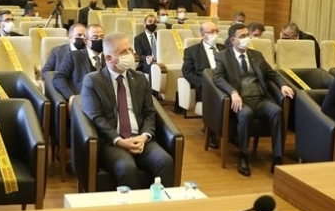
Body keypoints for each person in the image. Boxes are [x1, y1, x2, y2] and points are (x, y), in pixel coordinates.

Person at [80, 32, 174, 189]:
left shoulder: (140, 78)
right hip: (112, 141)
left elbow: (149, 112)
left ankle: (161, 204)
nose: (130, 55)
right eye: (123, 52)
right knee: (127, 168)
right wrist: (119, 140)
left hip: (140, 137)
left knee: (165, 161)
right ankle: (133, 206)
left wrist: (144, 136)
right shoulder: (93, 80)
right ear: (109, 58)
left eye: (130, 50)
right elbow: (96, 118)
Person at [212, 24, 294, 176]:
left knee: (277, 111)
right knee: (246, 114)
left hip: (260, 99)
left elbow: (272, 74)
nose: (247, 39)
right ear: (233, 40)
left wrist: (283, 85)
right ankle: (243, 156)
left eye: (247, 35)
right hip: (241, 101)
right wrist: (233, 92)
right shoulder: (223, 56)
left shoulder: (256, 55)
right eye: (243, 36)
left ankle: (277, 157)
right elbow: (217, 78)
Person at [53, 24, 105, 105]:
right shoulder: (74, 56)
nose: (99, 40)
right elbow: (59, 78)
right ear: (86, 41)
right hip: (83, 101)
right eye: (95, 38)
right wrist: (71, 97)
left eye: (102, 37)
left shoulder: (109, 58)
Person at [182, 22, 225, 103]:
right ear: (202, 35)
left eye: (216, 31)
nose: (215, 34)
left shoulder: (225, 49)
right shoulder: (192, 51)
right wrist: (204, 83)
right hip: (205, 86)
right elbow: (187, 72)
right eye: (211, 32)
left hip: (225, 84)